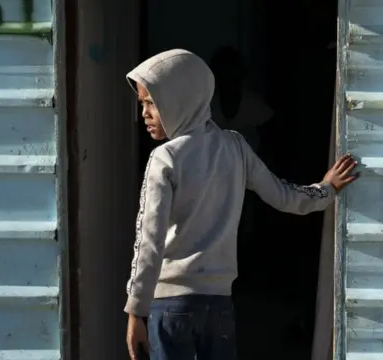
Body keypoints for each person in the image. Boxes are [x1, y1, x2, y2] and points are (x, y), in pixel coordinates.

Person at [123, 48, 359, 360]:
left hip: (171, 308)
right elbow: (285, 196)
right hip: (219, 307)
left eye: (152, 102)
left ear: (179, 98)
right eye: (143, 103)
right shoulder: (235, 146)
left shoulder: (166, 158)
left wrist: (135, 312)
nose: (145, 114)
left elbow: (148, 242)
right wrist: (326, 189)